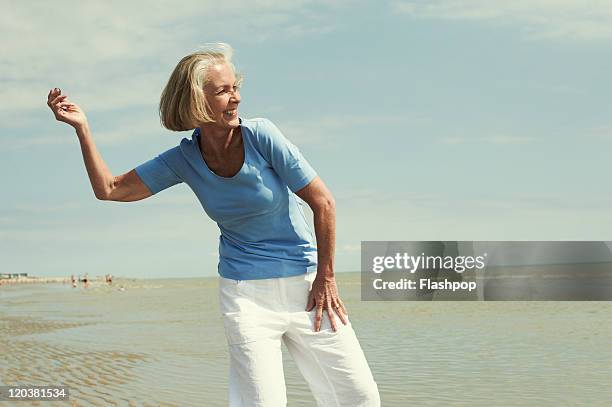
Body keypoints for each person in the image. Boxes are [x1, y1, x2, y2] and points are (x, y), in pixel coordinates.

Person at [47, 43, 380, 406]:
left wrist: (326, 277)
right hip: (246, 297)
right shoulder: (183, 159)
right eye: (223, 91)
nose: (235, 98)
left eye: (235, 87)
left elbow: (323, 202)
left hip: (308, 287)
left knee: (358, 396)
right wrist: (82, 128)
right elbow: (110, 189)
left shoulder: (261, 136)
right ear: (195, 101)